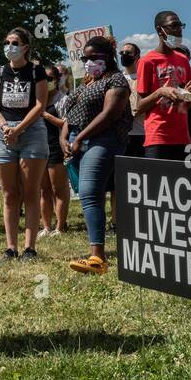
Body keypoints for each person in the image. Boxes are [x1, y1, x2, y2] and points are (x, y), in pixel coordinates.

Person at [63, 35, 131, 274]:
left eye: (94, 58)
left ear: (107, 58)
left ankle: (97, 258)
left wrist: (80, 137)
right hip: (76, 141)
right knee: (88, 194)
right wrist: (65, 136)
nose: (89, 62)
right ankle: (95, 250)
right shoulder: (86, 83)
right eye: (85, 58)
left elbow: (110, 114)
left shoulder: (117, 81)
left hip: (104, 139)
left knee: (91, 192)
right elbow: (70, 113)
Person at [0, 27, 48, 262]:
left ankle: (30, 248)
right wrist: (5, 127)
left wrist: (19, 128)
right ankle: (11, 248)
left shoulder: (36, 71)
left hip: (31, 131)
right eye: (7, 41)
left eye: (15, 42)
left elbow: (40, 104)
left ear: (25, 47)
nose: (9, 46)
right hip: (2, 133)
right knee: (10, 194)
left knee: (30, 191)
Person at [136, 12, 191, 160]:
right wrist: (160, 92)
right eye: (173, 26)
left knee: (185, 181)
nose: (178, 30)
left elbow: (184, 107)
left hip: (182, 137)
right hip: (158, 138)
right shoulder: (147, 61)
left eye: (180, 25)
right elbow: (139, 106)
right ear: (160, 30)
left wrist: (190, 96)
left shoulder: (183, 60)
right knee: (157, 183)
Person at [40, 64, 71, 237]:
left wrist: (45, 115)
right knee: (43, 190)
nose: (47, 82)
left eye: (50, 78)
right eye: (44, 78)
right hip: (39, 147)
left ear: (57, 80)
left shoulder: (63, 99)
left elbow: (67, 123)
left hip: (55, 148)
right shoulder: (37, 98)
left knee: (58, 189)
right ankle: (46, 227)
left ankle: (60, 226)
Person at [118, 43, 147, 157]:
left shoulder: (143, 78)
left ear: (137, 56)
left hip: (141, 134)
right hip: (121, 135)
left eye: (128, 53)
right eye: (122, 53)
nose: (124, 55)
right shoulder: (117, 79)